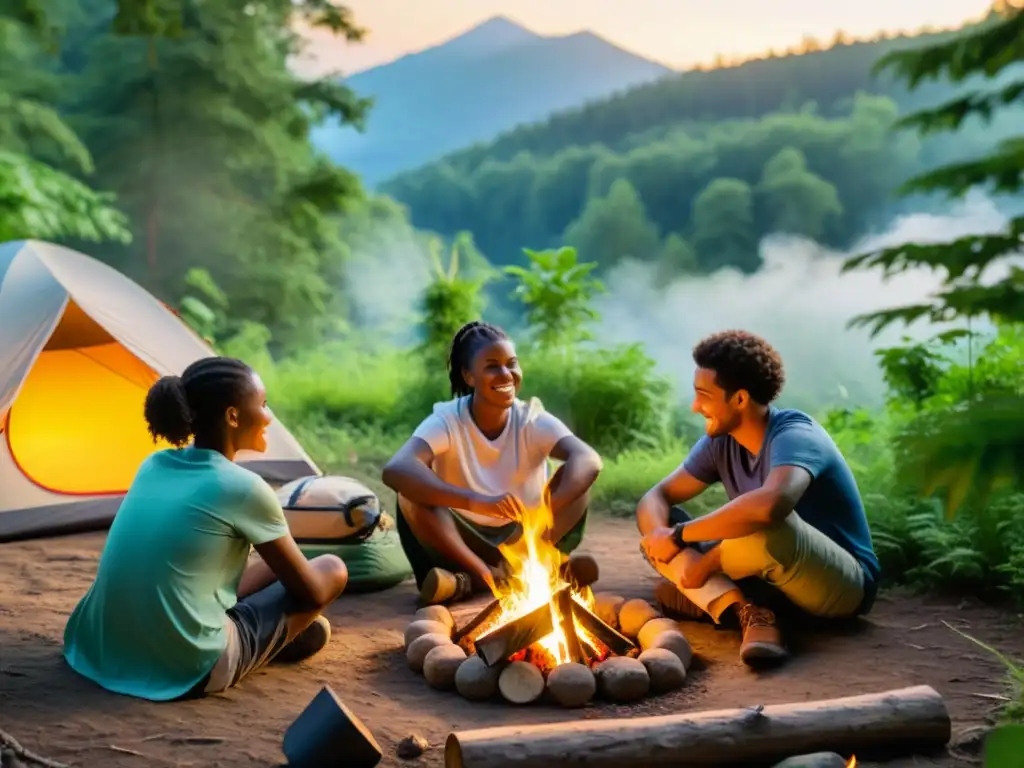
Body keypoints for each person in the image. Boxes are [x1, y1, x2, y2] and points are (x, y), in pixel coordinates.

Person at [63, 356, 349, 701]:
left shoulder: (154, 464)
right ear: (233, 416)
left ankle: (269, 634)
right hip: (187, 665)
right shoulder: (244, 487)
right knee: (330, 569)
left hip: (98, 648)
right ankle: (267, 642)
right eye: (263, 404)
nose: (270, 415)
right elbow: (314, 593)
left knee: (275, 569)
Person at [636, 330, 880, 667]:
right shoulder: (721, 440)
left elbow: (770, 507)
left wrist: (689, 548)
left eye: (703, 395)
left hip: (841, 584)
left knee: (765, 527)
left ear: (739, 399)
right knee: (659, 528)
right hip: (767, 570)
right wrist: (659, 536)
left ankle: (716, 597)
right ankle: (750, 611)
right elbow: (656, 496)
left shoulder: (796, 434)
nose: (695, 406)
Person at [382, 321, 603, 606]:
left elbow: (589, 459)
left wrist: (540, 513)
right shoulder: (447, 420)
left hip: (523, 538)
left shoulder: (531, 418)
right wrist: (476, 501)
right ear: (469, 376)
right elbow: (397, 468)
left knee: (578, 482)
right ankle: (487, 575)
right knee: (410, 493)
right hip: (460, 541)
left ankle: (488, 576)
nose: (506, 374)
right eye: (491, 366)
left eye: (512, 363)